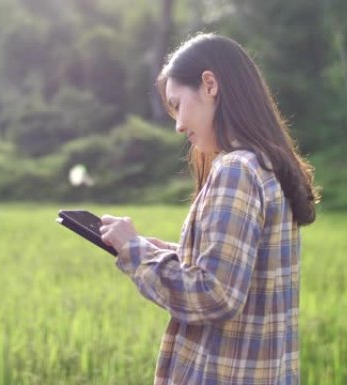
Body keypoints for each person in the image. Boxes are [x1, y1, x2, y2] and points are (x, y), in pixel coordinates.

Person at [99, 33, 319, 385]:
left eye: (178, 104)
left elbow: (214, 294)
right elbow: (242, 270)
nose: (178, 125)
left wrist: (135, 252)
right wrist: (168, 251)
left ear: (209, 85)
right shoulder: (264, 166)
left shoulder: (236, 170)